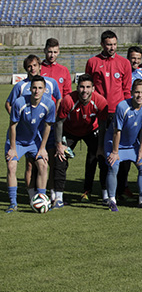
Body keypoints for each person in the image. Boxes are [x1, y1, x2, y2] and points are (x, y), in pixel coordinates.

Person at [55, 74, 109, 207]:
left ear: (93, 88)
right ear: (77, 87)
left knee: (100, 158)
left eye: (88, 87)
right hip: (70, 131)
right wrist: (59, 144)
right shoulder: (68, 100)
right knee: (60, 159)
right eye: (82, 87)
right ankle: (58, 197)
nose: (85, 90)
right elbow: (58, 123)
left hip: (91, 131)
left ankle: (104, 195)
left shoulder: (101, 101)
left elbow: (103, 127)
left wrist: (101, 147)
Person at [5, 76, 55, 213]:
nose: (36, 91)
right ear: (30, 88)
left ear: (45, 90)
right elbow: (13, 126)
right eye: (34, 88)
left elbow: (48, 127)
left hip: (34, 141)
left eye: (40, 88)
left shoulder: (49, 104)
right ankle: (13, 204)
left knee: (43, 165)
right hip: (17, 141)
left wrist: (43, 148)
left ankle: (42, 199)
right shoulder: (19, 103)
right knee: (11, 165)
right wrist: (13, 148)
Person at [105, 79, 142, 212]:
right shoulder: (122, 107)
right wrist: (115, 152)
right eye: (137, 92)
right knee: (113, 166)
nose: (140, 95)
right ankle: (111, 199)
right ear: (132, 92)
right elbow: (117, 131)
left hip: (132, 144)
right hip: (115, 143)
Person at [85, 30, 132, 116]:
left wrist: (127, 107)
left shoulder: (125, 63)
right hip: (97, 107)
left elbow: (127, 88)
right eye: (109, 45)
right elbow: (88, 86)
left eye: (115, 44)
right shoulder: (92, 62)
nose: (112, 48)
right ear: (102, 44)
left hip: (118, 108)